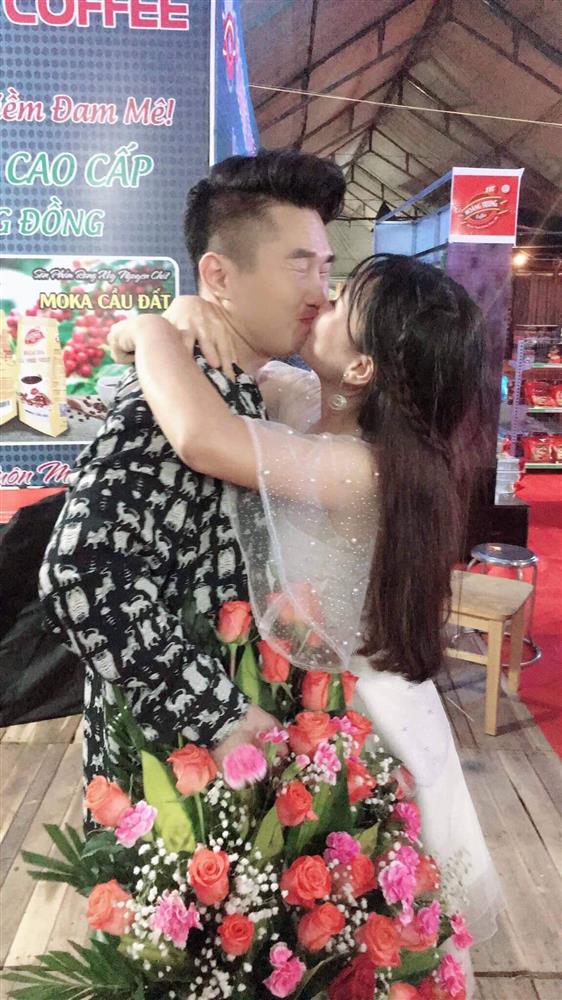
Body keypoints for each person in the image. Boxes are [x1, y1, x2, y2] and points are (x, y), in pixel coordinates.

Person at [109, 254, 504, 990]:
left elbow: (202, 436)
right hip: (310, 696)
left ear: (362, 369)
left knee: (359, 924)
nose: (322, 296)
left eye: (342, 301)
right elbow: (236, 372)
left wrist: (150, 330)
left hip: (360, 717)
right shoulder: (307, 404)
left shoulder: (362, 465)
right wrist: (183, 313)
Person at [38, 149, 345, 792]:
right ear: (219, 275)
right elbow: (81, 569)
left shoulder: (245, 390)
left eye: (325, 267)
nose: (319, 292)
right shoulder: (178, 395)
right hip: (176, 782)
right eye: (299, 265)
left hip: (223, 769)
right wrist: (215, 712)